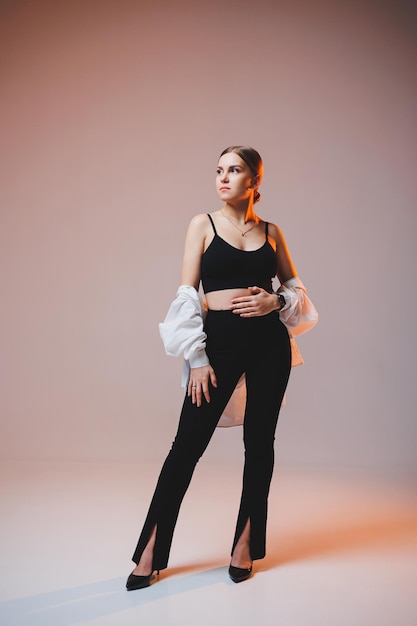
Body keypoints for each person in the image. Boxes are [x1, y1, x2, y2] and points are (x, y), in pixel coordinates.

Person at [126, 145, 317, 591]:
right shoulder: (203, 225)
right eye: (219, 170)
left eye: (234, 170)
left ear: (255, 182)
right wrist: (196, 357)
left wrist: (277, 300)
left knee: (260, 446)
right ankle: (150, 552)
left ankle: (245, 546)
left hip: (270, 346)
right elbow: (187, 293)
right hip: (219, 348)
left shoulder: (272, 231)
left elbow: (295, 287)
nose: (223, 177)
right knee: (185, 448)